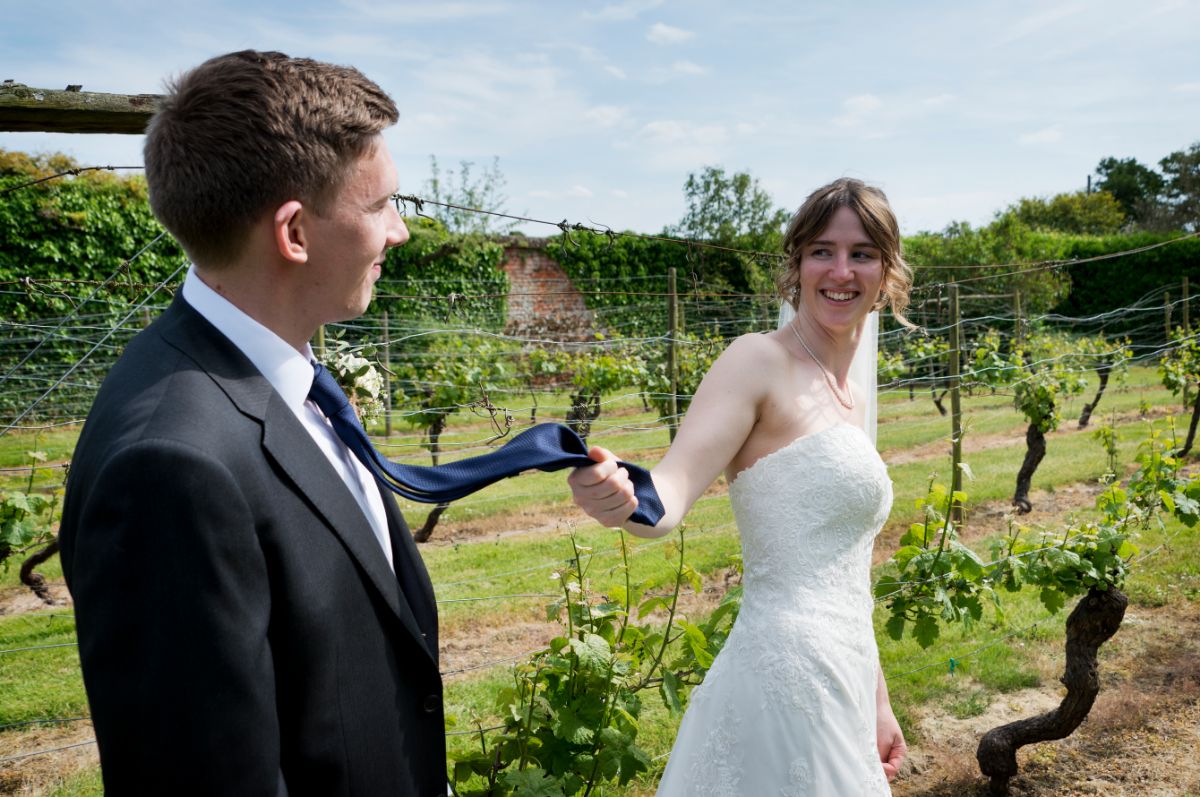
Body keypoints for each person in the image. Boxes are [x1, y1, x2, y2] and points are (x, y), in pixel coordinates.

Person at [57, 51, 447, 796]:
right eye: (380, 205)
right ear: (294, 233)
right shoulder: (170, 467)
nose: (398, 232)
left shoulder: (281, 382)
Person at [568, 178, 912, 795]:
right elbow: (670, 491)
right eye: (821, 251)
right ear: (797, 264)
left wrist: (877, 700)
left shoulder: (853, 390)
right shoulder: (757, 361)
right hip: (786, 679)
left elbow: (849, 571)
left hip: (845, 673)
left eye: (861, 253)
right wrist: (620, 498)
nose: (841, 270)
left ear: (886, 270)